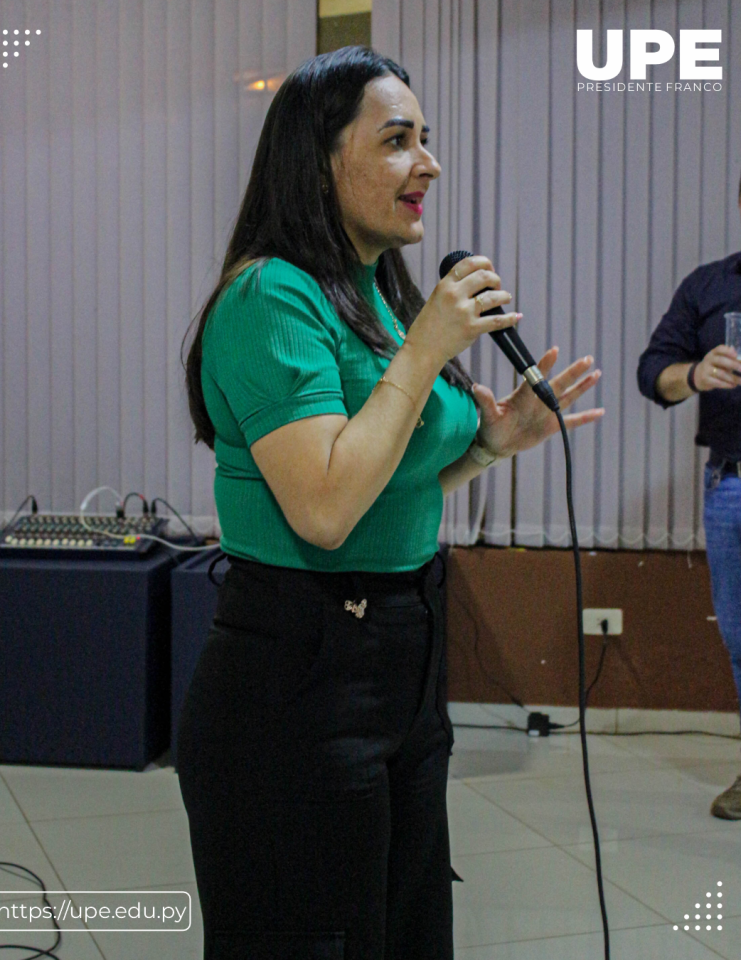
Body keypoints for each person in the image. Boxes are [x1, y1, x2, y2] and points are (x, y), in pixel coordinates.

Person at [177, 45, 603, 960]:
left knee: (407, 933)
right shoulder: (269, 296)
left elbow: (383, 483)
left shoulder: (372, 292)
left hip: (405, 659)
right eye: (399, 141)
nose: (430, 165)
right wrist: (425, 351)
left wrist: (492, 443)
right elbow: (325, 511)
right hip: (300, 676)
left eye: (428, 140)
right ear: (318, 160)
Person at [637, 180, 741, 821]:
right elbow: (654, 371)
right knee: (739, 636)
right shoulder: (708, 286)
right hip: (730, 483)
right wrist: (696, 374)